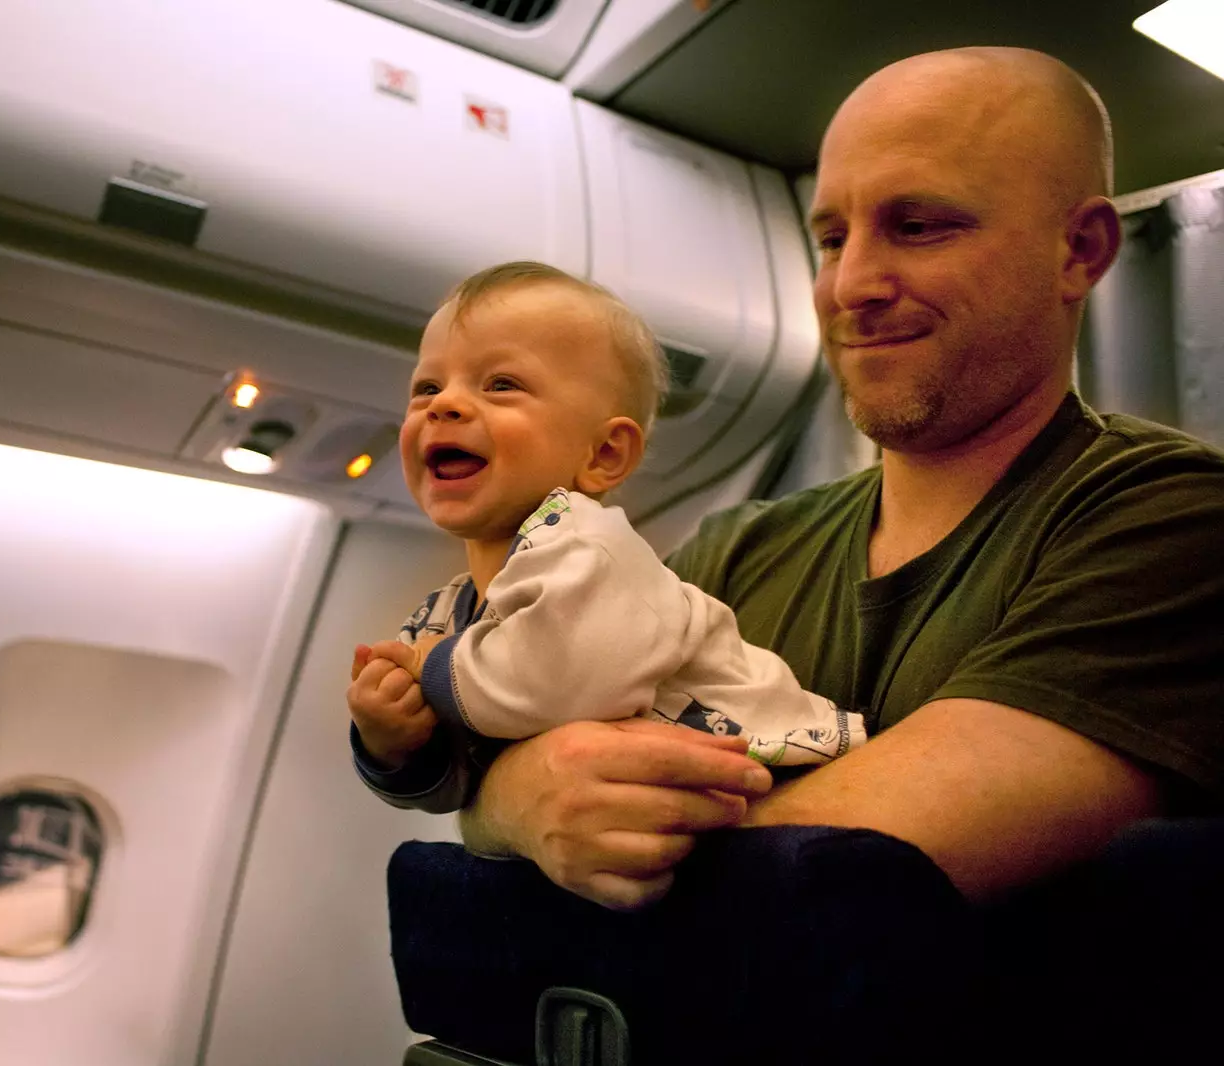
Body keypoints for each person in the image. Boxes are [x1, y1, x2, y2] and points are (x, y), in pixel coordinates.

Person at [369, 46, 1224, 911]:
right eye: (830, 238)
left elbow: (854, 869)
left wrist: (525, 795)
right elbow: (540, 800)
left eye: (918, 225)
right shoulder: (738, 548)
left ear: (1078, 250)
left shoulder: (1172, 521)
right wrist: (521, 800)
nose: (850, 285)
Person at [347, 262, 866, 815]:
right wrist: (392, 743)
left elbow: (557, 683)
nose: (443, 404)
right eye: (427, 386)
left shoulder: (591, 550)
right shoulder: (446, 618)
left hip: (801, 784)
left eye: (502, 385)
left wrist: (429, 670)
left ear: (603, 455)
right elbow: (465, 789)